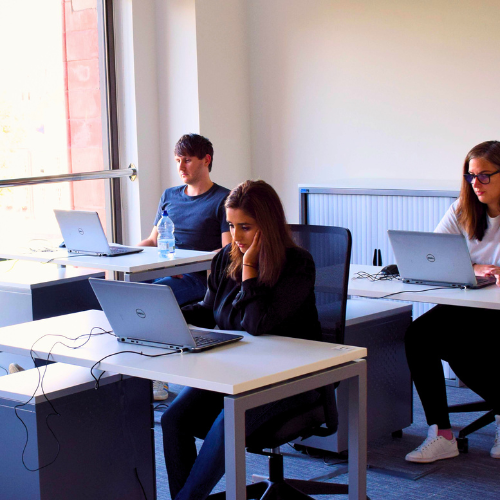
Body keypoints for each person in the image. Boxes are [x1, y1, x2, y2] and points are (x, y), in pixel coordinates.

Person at [160, 180, 322, 500]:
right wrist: (168, 316)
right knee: (173, 419)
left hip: (290, 380)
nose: (236, 237)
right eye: (232, 225)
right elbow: (210, 309)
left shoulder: (297, 265)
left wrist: (249, 270)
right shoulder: (225, 259)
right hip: (237, 373)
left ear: (268, 225)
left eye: (245, 227)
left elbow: (257, 324)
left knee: (228, 422)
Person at [404, 140, 500, 464]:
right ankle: (441, 434)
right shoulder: (463, 208)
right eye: (470, 176)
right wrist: (474, 268)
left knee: (462, 347)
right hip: (469, 306)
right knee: (419, 336)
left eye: (484, 176)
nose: (475, 184)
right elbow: (434, 256)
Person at [138, 134, 231, 400]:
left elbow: (226, 251)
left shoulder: (223, 200)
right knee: (121, 293)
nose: (180, 167)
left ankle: (157, 380)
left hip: (198, 278)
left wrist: (184, 261)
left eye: (187, 160)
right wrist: (124, 253)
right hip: (168, 272)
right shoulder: (169, 196)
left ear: (206, 160)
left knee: (152, 300)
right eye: (178, 160)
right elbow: (153, 241)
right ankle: (126, 377)